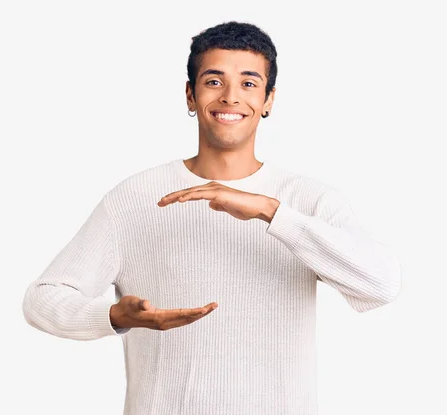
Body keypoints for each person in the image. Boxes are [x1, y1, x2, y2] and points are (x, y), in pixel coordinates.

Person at [22, 20, 401, 415]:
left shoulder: (306, 199)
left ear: (269, 100)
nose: (231, 97)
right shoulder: (134, 198)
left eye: (249, 83)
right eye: (214, 81)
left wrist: (271, 212)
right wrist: (114, 315)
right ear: (190, 95)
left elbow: (381, 284)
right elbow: (42, 299)